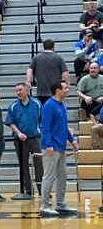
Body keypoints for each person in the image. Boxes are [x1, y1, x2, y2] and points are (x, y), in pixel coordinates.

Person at [40, 80, 78, 216]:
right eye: (65, 88)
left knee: (62, 176)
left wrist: (72, 140)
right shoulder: (49, 105)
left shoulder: (62, 105)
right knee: (49, 176)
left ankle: (61, 203)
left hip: (61, 146)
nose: (68, 89)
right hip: (51, 147)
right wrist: (48, 144)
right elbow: (45, 126)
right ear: (58, 91)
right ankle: (45, 205)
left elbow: (64, 126)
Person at [5, 82, 43, 197]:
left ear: (27, 90)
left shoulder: (37, 103)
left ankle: (42, 189)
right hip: (20, 141)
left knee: (39, 164)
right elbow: (10, 122)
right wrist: (19, 133)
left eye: (20, 90)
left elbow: (42, 119)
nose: (18, 92)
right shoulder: (13, 106)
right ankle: (28, 190)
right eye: (16, 90)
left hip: (35, 138)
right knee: (23, 165)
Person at [26, 38, 70, 103]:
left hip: (41, 91)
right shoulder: (58, 57)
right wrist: (67, 84)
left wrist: (28, 81)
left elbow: (30, 69)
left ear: (44, 47)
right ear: (53, 47)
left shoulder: (36, 57)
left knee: (43, 108)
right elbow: (65, 72)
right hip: (56, 91)